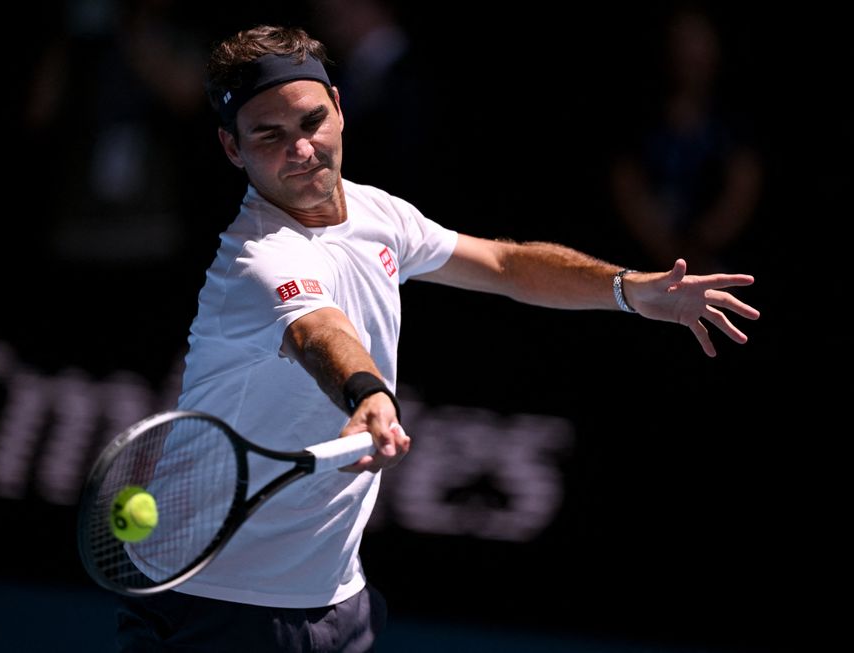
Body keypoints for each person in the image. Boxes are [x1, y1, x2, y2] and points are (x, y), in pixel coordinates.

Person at [116, 24, 760, 652]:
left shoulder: (377, 213)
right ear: (233, 148)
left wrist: (629, 289)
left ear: (339, 107)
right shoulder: (260, 258)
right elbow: (320, 332)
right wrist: (369, 395)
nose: (303, 149)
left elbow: (505, 264)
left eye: (312, 121)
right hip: (214, 597)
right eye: (269, 135)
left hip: (333, 592)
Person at [609, 5, 763, 274]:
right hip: (647, 263)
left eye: (699, 42)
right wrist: (666, 246)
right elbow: (626, 184)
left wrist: (701, 242)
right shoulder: (642, 115)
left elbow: (744, 184)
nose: (691, 55)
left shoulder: (734, 118)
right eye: (683, 42)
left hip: (716, 259)